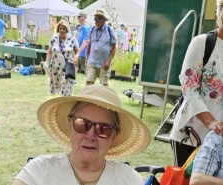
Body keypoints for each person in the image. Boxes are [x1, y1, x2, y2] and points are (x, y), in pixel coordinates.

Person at [12, 85, 151, 185]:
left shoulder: (128, 179)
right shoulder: (39, 171)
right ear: (69, 124)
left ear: (114, 135)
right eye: (82, 124)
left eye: (103, 129)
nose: (90, 136)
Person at [170, 0, 223, 167]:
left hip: (220, 143)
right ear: (218, 12)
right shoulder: (202, 43)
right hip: (192, 138)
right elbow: (189, 88)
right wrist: (211, 123)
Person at [45, 20, 79, 96]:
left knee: (66, 87)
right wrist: (47, 62)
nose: (62, 30)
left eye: (64, 29)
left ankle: (66, 103)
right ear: (58, 29)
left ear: (66, 30)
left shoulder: (72, 39)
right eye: (60, 28)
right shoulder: (54, 38)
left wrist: (76, 57)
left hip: (67, 66)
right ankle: (60, 103)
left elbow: (77, 50)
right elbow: (49, 51)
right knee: (57, 88)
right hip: (55, 66)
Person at [86, 10, 117, 86]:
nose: (95, 21)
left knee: (104, 85)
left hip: (104, 63)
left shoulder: (109, 30)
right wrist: (87, 60)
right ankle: (85, 98)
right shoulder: (92, 29)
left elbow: (114, 48)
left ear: (103, 20)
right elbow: (89, 45)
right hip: (92, 62)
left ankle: (106, 98)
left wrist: (108, 61)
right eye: (94, 19)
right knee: (88, 84)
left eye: (97, 19)